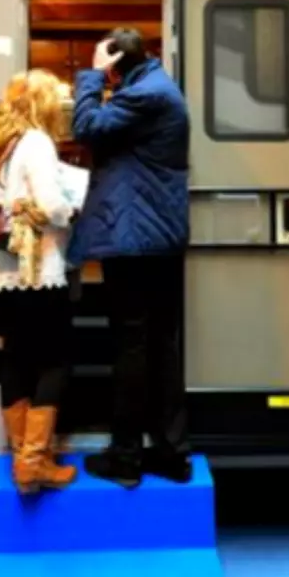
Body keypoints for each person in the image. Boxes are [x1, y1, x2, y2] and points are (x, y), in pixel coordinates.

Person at [68, 27, 191, 489]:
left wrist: (91, 76)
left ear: (116, 64)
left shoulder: (145, 95)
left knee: (132, 346)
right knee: (160, 345)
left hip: (135, 241)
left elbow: (85, 128)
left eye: (106, 63)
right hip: (157, 240)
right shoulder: (159, 87)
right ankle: (170, 453)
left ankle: (126, 459)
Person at [0, 69, 77, 494]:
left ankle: (24, 458)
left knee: (16, 360)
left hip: (4, 274)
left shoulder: (3, 145)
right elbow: (52, 205)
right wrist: (73, 209)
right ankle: (34, 463)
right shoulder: (37, 142)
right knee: (55, 362)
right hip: (36, 272)